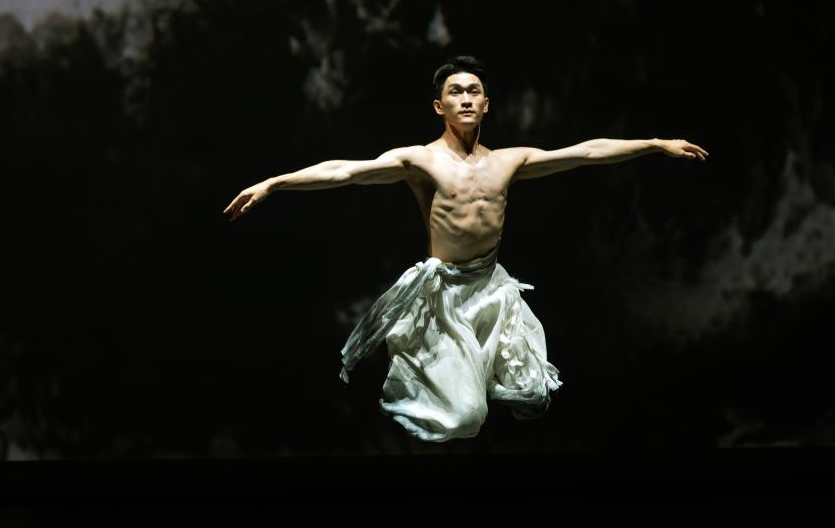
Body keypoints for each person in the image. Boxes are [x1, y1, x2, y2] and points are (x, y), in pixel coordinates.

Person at [223, 56, 708, 442]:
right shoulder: (421, 160)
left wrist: (655, 142)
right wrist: (275, 183)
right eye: (455, 92)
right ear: (440, 107)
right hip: (445, 294)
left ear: (487, 103)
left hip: (492, 288)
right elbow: (345, 170)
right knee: (464, 415)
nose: (466, 98)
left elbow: (585, 152)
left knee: (532, 392)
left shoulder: (508, 161)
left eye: (473, 91)